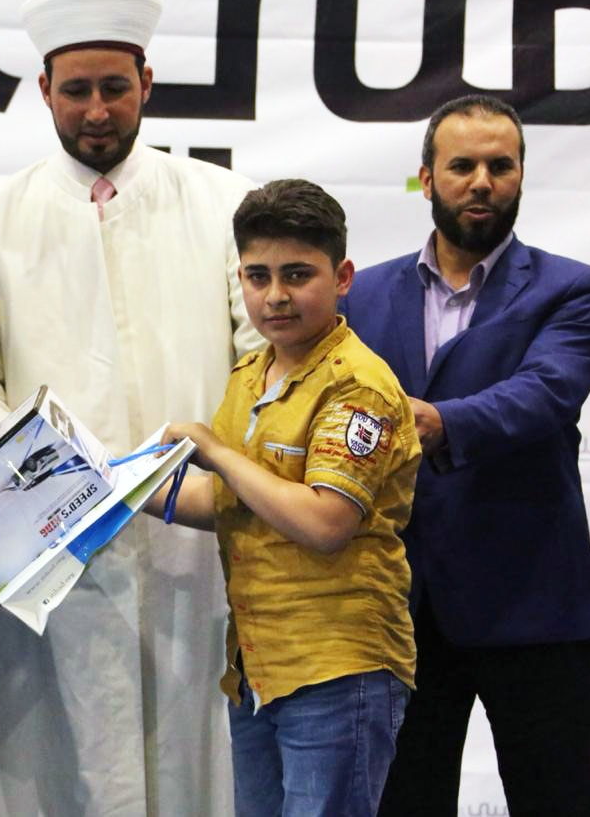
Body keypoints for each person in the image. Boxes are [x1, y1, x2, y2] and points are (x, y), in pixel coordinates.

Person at [0, 0, 263, 815]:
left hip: (196, 530)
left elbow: (259, 358)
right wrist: (42, 458)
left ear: (147, 84)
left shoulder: (222, 200)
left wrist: (217, 469)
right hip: (52, 532)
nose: (96, 110)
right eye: (77, 90)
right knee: (65, 759)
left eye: (115, 88)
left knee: (200, 746)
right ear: (44, 89)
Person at [342, 95, 590, 816]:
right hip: (398, 613)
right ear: (426, 178)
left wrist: (437, 422)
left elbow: (546, 393)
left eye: (501, 166)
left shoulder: (573, 288)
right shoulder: (359, 295)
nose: (482, 182)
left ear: (522, 175)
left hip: (534, 604)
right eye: (462, 165)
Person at [149, 178, 420, 816]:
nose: (275, 295)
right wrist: (112, 487)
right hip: (256, 664)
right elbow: (232, 502)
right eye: (258, 275)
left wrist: (214, 451)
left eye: (298, 275)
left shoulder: (358, 385)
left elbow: (326, 522)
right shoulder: (252, 372)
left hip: (339, 665)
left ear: (343, 277)